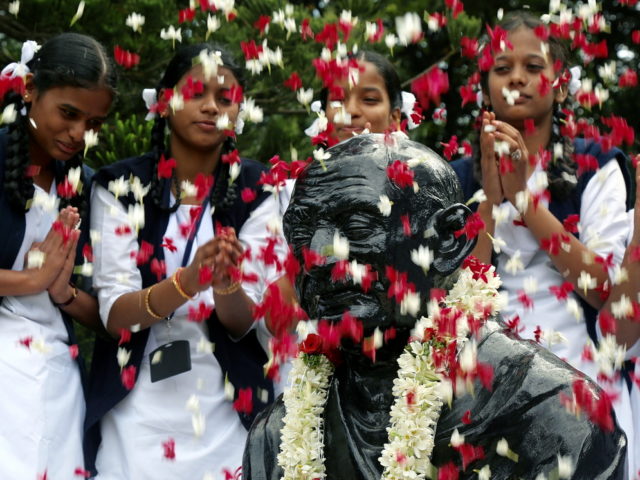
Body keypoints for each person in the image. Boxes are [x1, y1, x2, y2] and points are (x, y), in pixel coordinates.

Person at [243, 133, 627, 479]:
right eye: (302, 235)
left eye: (358, 229)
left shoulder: (558, 416)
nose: (318, 258)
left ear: (448, 242)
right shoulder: (275, 437)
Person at [84, 43, 287, 478]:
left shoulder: (258, 189)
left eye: (226, 98)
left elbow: (243, 321)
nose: (211, 107)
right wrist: (187, 282)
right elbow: (116, 316)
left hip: (226, 398)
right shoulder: (119, 186)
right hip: (137, 401)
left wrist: (226, 284)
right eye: (196, 92)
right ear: (163, 101)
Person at [449, 11, 635, 476]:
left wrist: (525, 201)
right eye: (502, 67)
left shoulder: (599, 165)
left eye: (533, 67)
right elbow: (456, 305)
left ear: (561, 83)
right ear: (484, 84)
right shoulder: (455, 177)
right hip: (485, 385)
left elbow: (605, 291)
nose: (518, 79)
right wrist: (490, 203)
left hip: (583, 376)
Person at [0, 33, 115, 479]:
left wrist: (63, 291)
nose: (78, 134)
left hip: (56, 373)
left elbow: (107, 315)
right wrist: (29, 280)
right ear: (29, 89)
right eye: (68, 113)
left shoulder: (89, 187)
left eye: (93, 122)